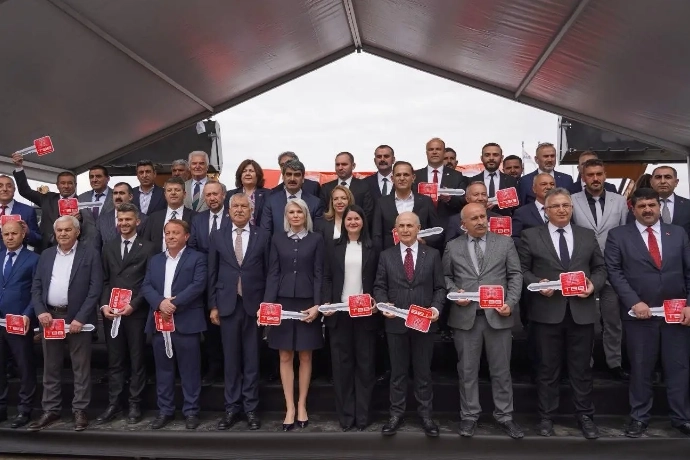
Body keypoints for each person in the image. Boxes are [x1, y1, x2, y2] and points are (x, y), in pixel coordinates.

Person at [518, 188, 607, 439]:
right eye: (555, 206)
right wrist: (537, 284)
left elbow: (600, 268)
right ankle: (546, 417)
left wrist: (593, 285)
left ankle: (585, 416)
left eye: (565, 205)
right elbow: (521, 270)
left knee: (582, 369)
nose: (561, 210)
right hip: (546, 312)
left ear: (572, 208)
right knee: (547, 368)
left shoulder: (586, 235)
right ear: (545, 211)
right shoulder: (530, 235)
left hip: (581, 311)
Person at [605, 187, 690, 437]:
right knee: (641, 368)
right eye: (642, 206)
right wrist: (633, 302)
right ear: (633, 209)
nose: (648, 210)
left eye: (652, 205)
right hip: (639, 315)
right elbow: (614, 271)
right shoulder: (618, 235)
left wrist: (689, 304)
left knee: (679, 367)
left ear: (659, 207)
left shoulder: (678, 233)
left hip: (676, 315)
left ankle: (681, 417)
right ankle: (639, 417)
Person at [443, 203, 523, 439]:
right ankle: (469, 416)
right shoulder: (452, 246)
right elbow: (445, 276)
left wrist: (510, 302)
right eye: (474, 218)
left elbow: (515, 275)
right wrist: (454, 292)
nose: (480, 221)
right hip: (466, 317)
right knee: (467, 371)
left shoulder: (505, 243)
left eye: (482, 216)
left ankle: (505, 416)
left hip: (498, 315)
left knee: (501, 371)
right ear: (463, 224)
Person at [373, 211, 445, 437]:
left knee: (423, 372)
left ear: (418, 228)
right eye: (401, 226)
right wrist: (383, 304)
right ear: (395, 230)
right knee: (398, 373)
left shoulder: (432, 255)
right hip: (396, 324)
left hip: (424, 323)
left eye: (409, 226)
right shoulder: (386, 255)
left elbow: (440, 288)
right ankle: (396, 414)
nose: (405, 230)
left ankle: (426, 416)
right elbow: (379, 286)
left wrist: (435, 309)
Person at [28, 216, 103, 432]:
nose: (63, 233)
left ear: (77, 232)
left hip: (78, 318)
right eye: (59, 230)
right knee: (51, 366)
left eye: (67, 230)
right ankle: (51, 409)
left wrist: (81, 317)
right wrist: (41, 311)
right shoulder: (46, 255)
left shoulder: (90, 254)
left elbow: (95, 288)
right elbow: (36, 287)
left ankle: (80, 410)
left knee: (81, 367)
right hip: (51, 318)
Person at [208, 193, 270, 431]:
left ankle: (251, 408)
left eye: (244, 206)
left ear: (251, 211)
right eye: (235, 206)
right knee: (231, 360)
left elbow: (269, 272)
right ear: (229, 210)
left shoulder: (262, 235)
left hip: (254, 306)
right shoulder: (217, 236)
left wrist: (266, 305)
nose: (240, 209)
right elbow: (212, 272)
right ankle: (232, 408)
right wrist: (213, 305)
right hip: (227, 305)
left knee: (252, 359)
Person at [141, 219, 207, 430]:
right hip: (160, 321)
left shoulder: (197, 258)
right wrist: (160, 303)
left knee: (190, 370)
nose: (170, 236)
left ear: (186, 236)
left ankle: (191, 411)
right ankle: (165, 411)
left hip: (187, 320)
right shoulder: (156, 260)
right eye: (167, 233)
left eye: (175, 233)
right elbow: (146, 285)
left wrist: (173, 304)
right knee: (163, 371)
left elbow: (198, 285)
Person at [263, 199, 323, 431]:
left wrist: (318, 305)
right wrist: (267, 304)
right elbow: (273, 272)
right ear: (286, 216)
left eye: (299, 211)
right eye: (291, 212)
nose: (295, 215)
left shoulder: (316, 239)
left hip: (307, 303)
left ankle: (301, 405)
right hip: (283, 301)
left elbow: (319, 273)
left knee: (306, 356)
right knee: (285, 355)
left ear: (305, 215)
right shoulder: (277, 239)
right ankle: (289, 407)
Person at [570, 159, 629, 380]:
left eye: (599, 174)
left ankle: (614, 363)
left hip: (613, 269)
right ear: (583, 177)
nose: (595, 178)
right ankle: (586, 363)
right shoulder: (572, 200)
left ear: (605, 175)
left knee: (613, 320)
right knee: (584, 322)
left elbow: (624, 233)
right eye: (590, 174)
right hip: (584, 268)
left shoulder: (619, 201)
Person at [321, 205, 378, 431]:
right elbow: (326, 277)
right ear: (343, 222)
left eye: (357, 218)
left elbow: (379, 279)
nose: (353, 222)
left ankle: (362, 417)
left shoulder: (374, 247)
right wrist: (327, 302)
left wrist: (376, 302)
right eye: (349, 219)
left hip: (365, 314)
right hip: (340, 313)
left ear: (363, 221)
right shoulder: (333, 246)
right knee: (342, 368)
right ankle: (346, 417)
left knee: (365, 366)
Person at [96, 203, 154, 425]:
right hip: (112, 313)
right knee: (115, 360)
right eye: (120, 220)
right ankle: (114, 404)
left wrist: (135, 305)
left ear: (137, 221)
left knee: (137, 360)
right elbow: (104, 280)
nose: (124, 223)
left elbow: (149, 281)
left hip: (135, 313)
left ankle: (135, 403)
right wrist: (104, 305)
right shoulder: (108, 247)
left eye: (128, 219)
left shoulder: (148, 247)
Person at [11, 153, 96, 251]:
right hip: (43, 248)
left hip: (71, 250)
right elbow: (25, 191)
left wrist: (80, 220)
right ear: (57, 185)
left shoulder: (83, 202)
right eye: (62, 183)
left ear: (75, 185)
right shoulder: (47, 198)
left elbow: (89, 229)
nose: (66, 186)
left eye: (70, 183)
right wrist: (19, 167)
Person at [188, 180, 228, 386]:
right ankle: (214, 367)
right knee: (210, 327)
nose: (212, 198)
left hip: (229, 278)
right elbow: (193, 247)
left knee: (229, 327)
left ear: (223, 195)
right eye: (208, 195)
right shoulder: (198, 219)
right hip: (206, 279)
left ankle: (230, 368)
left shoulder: (232, 217)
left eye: (215, 194)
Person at [0, 221, 39, 428]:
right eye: (6, 234)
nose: (10, 237)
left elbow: (36, 292)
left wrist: (27, 315)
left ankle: (25, 409)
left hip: (20, 322)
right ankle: (1, 408)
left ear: (23, 234)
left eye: (14, 233)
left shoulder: (33, 259)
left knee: (24, 367)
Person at [372, 161, 442, 250]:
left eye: (406, 175)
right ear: (392, 179)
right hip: (390, 255)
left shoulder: (426, 201)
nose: (402, 178)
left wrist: (424, 241)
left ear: (413, 178)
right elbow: (377, 235)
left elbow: (437, 231)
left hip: (420, 253)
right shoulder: (382, 203)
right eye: (398, 175)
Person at [413, 138, 469, 236]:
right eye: (431, 149)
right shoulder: (415, 176)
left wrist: (450, 199)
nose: (434, 152)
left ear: (444, 152)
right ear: (426, 153)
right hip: (422, 229)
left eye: (438, 149)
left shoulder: (457, 176)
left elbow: (464, 200)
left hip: (449, 229)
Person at [261, 159, 324, 235]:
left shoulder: (315, 203)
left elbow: (317, 233)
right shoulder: (271, 202)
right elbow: (265, 233)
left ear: (303, 179)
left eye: (297, 175)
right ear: (283, 178)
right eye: (289, 174)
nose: (292, 179)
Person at [142, 177, 195, 253]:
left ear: (184, 194)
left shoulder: (195, 217)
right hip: (158, 259)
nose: (173, 193)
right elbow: (146, 243)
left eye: (177, 190)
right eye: (169, 190)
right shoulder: (153, 218)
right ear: (165, 195)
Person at [319, 152, 374, 222]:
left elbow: (368, 212)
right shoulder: (326, 188)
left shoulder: (364, 186)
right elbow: (323, 213)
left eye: (344, 164)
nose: (340, 168)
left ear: (353, 166)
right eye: (337, 164)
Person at [469, 143, 519, 216]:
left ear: (501, 158)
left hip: (504, 221)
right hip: (479, 220)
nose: (491, 158)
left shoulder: (511, 181)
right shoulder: (471, 181)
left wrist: (501, 203)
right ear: (482, 158)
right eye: (487, 155)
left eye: (495, 155)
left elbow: (517, 206)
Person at [94, 182, 148, 250]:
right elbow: (97, 247)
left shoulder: (144, 219)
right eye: (115, 193)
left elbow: (146, 247)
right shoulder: (102, 220)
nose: (118, 197)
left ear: (130, 197)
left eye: (122, 193)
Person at [511, 173, 555, 248]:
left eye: (552, 184)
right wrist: (531, 249)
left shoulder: (563, 210)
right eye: (544, 184)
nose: (548, 187)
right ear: (534, 189)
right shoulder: (521, 213)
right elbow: (514, 238)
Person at [0, 175, 41, 251]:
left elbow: (38, 240)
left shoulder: (27, 211)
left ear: (14, 189)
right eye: (0, 186)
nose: (4, 189)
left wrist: (28, 232)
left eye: (9, 186)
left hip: (15, 257)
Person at [224, 159, 270, 227]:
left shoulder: (268, 194)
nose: (247, 174)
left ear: (258, 175)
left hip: (261, 232)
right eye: (244, 171)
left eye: (251, 171)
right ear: (240, 175)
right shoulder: (230, 194)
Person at [647, 166, 690, 236]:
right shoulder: (639, 206)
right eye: (658, 177)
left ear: (676, 182)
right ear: (651, 182)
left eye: (668, 177)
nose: (662, 181)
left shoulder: (688, 205)